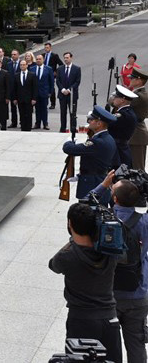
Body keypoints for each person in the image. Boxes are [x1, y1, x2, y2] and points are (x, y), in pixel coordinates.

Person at [49, 202, 122, 363]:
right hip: (109, 318)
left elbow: (53, 265)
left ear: (70, 224)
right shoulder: (110, 252)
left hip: (80, 320)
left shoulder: (66, 256)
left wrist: (72, 241)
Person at [91, 173, 148, 363]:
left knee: (109, 346)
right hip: (137, 293)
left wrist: (103, 184)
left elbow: (85, 204)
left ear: (114, 199)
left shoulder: (103, 220)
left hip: (108, 295)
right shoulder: (144, 222)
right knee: (136, 344)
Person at [63, 106, 117, 199]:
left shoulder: (97, 142)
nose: (89, 122)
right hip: (99, 179)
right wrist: (80, 175)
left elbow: (69, 149)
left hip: (92, 184)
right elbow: (96, 162)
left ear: (99, 123)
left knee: (88, 207)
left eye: (91, 120)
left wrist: (68, 142)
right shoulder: (108, 138)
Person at [109, 85, 138, 168]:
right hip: (122, 149)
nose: (114, 99)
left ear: (122, 100)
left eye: (116, 97)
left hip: (118, 152)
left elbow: (108, 124)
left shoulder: (122, 115)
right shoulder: (128, 112)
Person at [128, 67, 148, 170]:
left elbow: (119, 104)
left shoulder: (139, 96)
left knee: (138, 169)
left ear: (139, 80)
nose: (129, 80)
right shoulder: (138, 94)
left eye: (132, 78)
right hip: (135, 134)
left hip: (137, 136)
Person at [57, 52, 81, 133]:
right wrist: (63, 90)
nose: (65, 59)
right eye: (64, 58)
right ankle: (63, 128)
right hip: (62, 94)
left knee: (73, 113)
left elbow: (77, 82)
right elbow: (58, 81)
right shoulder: (60, 69)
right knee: (63, 112)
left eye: (67, 58)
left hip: (72, 95)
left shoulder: (77, 69)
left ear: (71, 58)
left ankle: (73, 128)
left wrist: (69, 90)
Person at [12, 60, 37, 132]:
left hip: (29, 99)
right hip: (20, 98)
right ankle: (23, 128)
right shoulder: (16, 75)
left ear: (27, 65)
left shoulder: (32, 75)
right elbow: (14, 88)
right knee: (21, 114)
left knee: (28, 114)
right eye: (21, 65)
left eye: (23, 65)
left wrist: (34, 98)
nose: (22, 66)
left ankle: (28, 128)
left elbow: (35, 88)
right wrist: (14, 98)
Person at [33, 54, 55, 130]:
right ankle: (37, 123)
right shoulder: (32, 69)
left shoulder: (48, 69)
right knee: (37, 109)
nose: (38, 60)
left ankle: (45, 123)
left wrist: (50, 92)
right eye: (37, 59)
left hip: (44, 92)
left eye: (40, 59)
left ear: (43, 60)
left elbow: (51, 81)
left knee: (44, 108)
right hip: (35, 93)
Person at [43, 42, 63, 109]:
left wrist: (56, 72)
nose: (46, 49)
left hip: (51, 74)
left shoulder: (54, 55)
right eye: (45, 48)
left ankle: (53, 103)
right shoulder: (42, 55)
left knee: (51, 88)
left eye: (47, 47)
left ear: (50, 48)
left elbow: (61, 64)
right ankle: (44, 102)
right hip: (43, 74)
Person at [7, 50, 22, 128]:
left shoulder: (22, 63)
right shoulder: (9, 64)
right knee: (13, 107)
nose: (13, 56)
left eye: (15, 54)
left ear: (18, 55)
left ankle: (22, 121)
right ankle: (14, 122)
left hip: (20, 89)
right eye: (12, 54)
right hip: (11, 89)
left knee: (21, 107)